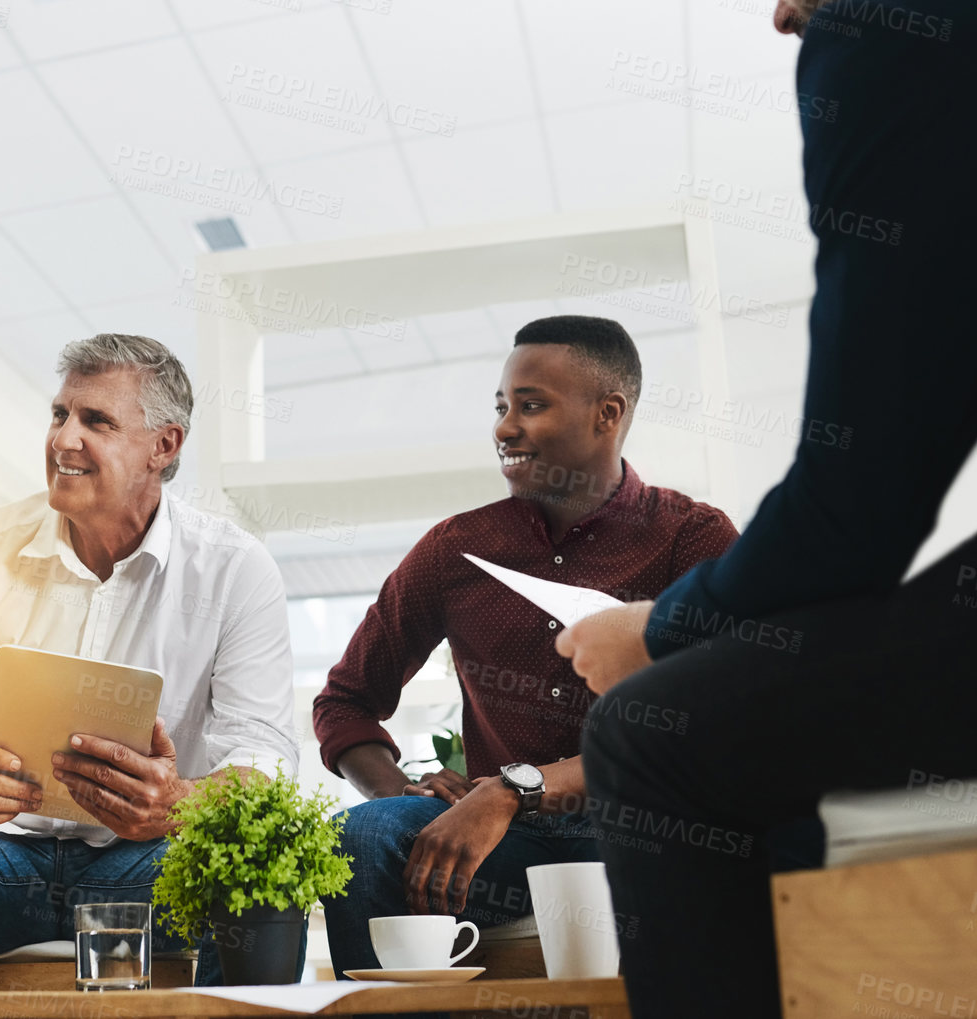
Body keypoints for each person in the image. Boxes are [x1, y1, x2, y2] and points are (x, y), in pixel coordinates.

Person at [557, 0, 977, 1016]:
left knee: (649, 737)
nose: (784, 9)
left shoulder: (901, 37)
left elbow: (858, 509)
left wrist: (659, 632)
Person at [0, 334, 298, 990]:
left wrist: (177, 803)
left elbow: (267, 760)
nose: (63, 439)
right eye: (59, 414)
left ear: (163, 446)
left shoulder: (236, 569)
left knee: (262, 857)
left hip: (146, 870)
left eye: (96, 421)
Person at [316, 317, 738, 975]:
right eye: (502, 406)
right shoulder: (455, 549)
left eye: (531, 405)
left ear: (607, 414)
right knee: (364, 838)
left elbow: (705, 726)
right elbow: (345, 701)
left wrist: (514, 789)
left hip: (639, 835)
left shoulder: (692, 539)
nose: (505, 427)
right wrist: (403, 789)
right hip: (504, 846)